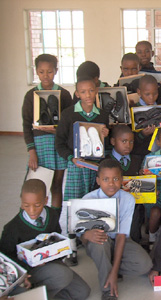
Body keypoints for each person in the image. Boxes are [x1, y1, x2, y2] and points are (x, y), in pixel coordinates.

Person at [0, 179, 90, 300]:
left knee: (81, 292)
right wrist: (24, 271)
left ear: (46, 200)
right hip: (28, 271)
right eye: (26, 205)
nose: (32, 210)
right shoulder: (11, 228)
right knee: (63, 275)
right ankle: (35, 293)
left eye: (37, 205)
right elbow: (6, 260)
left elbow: (57, 237)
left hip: (51, 263)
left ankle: (39, 293)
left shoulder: (51, 214)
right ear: (21, 201)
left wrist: (59, 251)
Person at [55, 76, 109, 266]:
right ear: (77, 94)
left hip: (94, 167)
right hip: (76, 166)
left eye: (91, 91)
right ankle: (71, 246)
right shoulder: (69, 114)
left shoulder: (102, 115)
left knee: (91, 204)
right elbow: (59, 143)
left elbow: (104, 146)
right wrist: (71, 158)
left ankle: (87, 237)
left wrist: (105, 135)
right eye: (83, 92)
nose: (88, 95)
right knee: (73, 203)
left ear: (96, 91)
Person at [81, 159, 152, 300]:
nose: (111, 183)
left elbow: (121, 236)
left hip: (120, 240)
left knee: (145, 265)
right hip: (99, 242)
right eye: (106, 179)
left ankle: (108, 268)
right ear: (98, 180)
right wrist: (87, 235)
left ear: (121, 180)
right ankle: (108, 291)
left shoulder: (128, 199)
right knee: (99, 243)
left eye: (115, 179)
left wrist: (114, 271)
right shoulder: (88, 199)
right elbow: (82, 236)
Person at [22, 54, 72, 213]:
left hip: (59, 144)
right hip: (40, 145)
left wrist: (56, 130)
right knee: (39, 186)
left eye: (49, 71)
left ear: (56, 71)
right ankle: (39, 219)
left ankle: (55, 222)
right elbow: (26, 124)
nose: (45, 75)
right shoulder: (31, 95)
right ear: (36, 71)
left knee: (57, 185)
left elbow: (69, 122)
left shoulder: (63, 94)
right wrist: (32, 152)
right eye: (41, 71)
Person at [132, 75, 159, 159]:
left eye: (155, 93)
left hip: (158, 153)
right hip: (140, 154)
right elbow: (131, 138)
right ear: (139, 92)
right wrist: (142, 134)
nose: (151, 97)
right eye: (147, 94)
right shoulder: (133, 110)